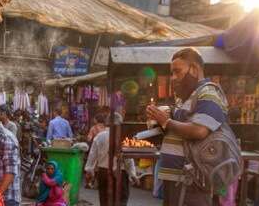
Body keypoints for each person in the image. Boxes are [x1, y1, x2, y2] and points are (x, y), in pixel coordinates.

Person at [145, 47, 229, 206]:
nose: (173, 78)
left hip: (191, 179)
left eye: (177, 71)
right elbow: (178, 131)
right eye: (172, 73)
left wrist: (166, 121)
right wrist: (160, 121)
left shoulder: (209, 93)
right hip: (176, 178)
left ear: (195, 69)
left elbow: (199, 130)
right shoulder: (185, 98)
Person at [85, 113, 136, 206]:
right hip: (121, 173)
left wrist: (90, 171)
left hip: (103, 173)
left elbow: (92, 156)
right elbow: (128, 158)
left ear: (106, 123)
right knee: (121, 201)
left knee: (104, 200)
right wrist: (132, 174)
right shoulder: (123, 137)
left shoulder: (99, 136)